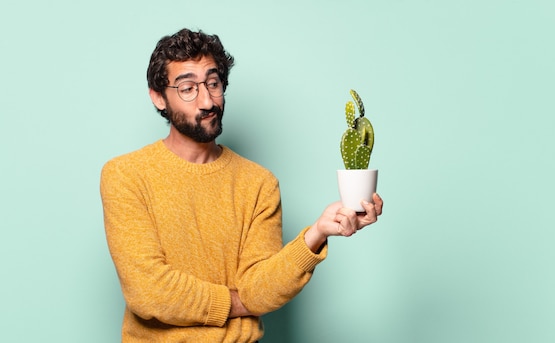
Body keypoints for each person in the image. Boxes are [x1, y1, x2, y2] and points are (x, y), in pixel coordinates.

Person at [100, 28, 383, 342]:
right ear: (158, 97)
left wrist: (316, 233)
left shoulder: (258, 183)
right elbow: (148, 292)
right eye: (188, 88)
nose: (207, 100)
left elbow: (260, 289)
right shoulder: (126, 175)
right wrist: (238, 302)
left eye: (213, 83)